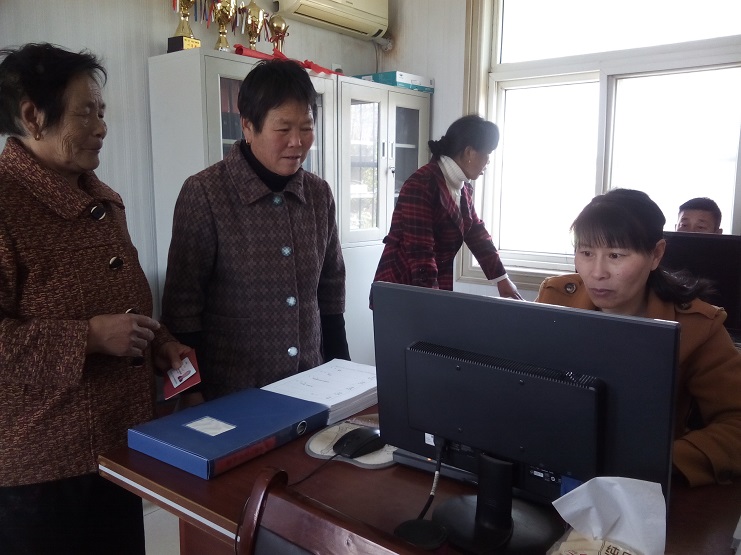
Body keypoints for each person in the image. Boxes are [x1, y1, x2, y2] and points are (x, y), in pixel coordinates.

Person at [0, 43, 190, 554]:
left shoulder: (103, 200)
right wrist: (87, 339)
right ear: (33, 117)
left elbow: (125, 302)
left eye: (102, 111)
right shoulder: (6, 205)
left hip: (118, 446)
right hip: (40, 469)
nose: (102, 126)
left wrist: (159, 342)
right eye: (86, 112)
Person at [161, 58, 349, 401]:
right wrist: (192, 393)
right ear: (248, 127)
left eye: (306, 127)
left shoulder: (318, 194)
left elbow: (331, 287)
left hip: (311, 383)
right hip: (232, 393)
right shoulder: (206, 193)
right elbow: (182, 307)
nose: (297, 142)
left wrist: (341, 371)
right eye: (283, 129)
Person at [536, 188, 741, 487]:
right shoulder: (556, 299)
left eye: (616, 255)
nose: (597, 272)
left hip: (642, 487)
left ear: (656, 254)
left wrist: (660, 464)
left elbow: (736, 422)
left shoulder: (697, 327)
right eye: (586, 253)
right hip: (552, 467)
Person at [371, 115, 521, 301]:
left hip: (430, 285)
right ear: (469, 152)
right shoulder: (422, 184)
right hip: (401, 286)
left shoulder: (462, 186)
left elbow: (476, 233)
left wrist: (502, 279)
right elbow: (421, 251)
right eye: (487, 154)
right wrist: (435, 303)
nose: (488, 161)